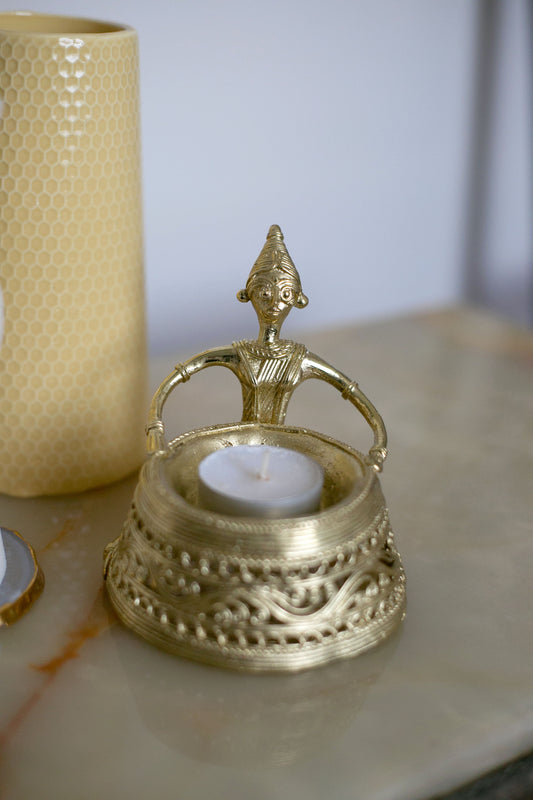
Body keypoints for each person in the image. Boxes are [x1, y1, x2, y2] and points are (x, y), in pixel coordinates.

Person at [146, 225, 387, 471]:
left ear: (298, 299)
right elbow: (181, 373)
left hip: (278, 456)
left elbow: (352, 392)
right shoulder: (241, 355)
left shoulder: (299, 360)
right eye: (264, 293)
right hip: (243, 453)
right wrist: (155, 426)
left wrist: (379, 445)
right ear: (247, 295)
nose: (274, 304)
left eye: (285, 295)